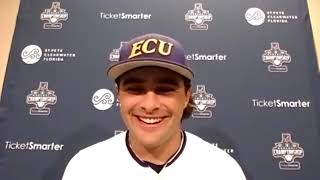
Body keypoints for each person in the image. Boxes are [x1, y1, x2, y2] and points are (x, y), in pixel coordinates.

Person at [62, 33, 247, 179]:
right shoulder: (85, 167)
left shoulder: (222, 170)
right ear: (118, 94)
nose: (149, 105)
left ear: (186, 96)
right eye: (135, 89)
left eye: (165, 89)